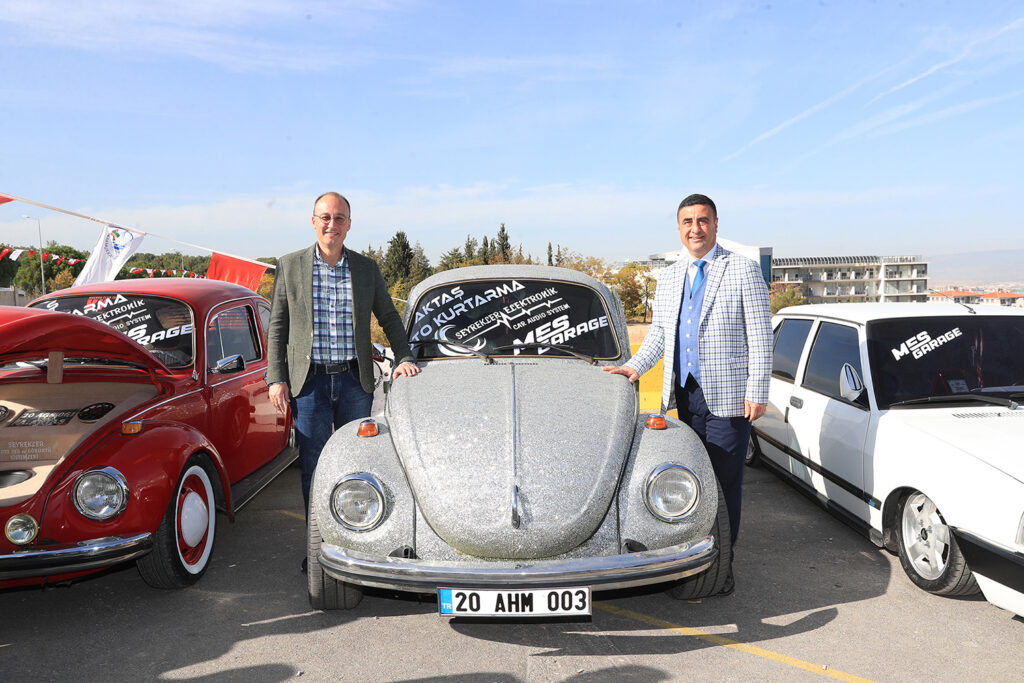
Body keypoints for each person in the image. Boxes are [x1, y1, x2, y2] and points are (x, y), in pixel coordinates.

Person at [602, 193, 771, 595]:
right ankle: (693, 561)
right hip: (686, 395)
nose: (695, 228)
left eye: (703, 220)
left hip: (731, 396)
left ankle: (722, 567)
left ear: (716, 224)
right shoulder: (671, 275)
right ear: (679, 228)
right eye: (687, 221)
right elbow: (660, 334)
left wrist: (757, 390)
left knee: (724, 483)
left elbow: (761, 336)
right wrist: (633, 368)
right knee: (693, 482)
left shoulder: (742, 269)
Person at [267, 192, 420, 563]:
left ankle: (355, 549)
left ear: (349, 224)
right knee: (315, 469)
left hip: (354, 382)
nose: (331, 224)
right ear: (313, 221)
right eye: (325, 217)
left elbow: (389, 316)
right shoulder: (289, 265)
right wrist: (276, 377)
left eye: (339, 218)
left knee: (356, 467)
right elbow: (278, 326)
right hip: (309, 385)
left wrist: (404, 357)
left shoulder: (366, 269)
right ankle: (318, 552)